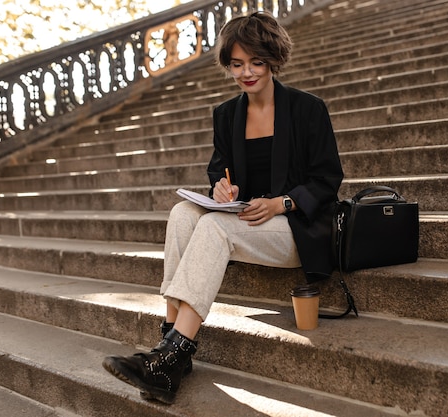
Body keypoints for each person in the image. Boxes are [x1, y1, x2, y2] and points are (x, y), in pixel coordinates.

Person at [102, 11, 344, 405]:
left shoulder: (307, 109)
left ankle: (170, 358)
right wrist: (221, 188)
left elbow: (328, 179)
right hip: (245, 219)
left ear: (273, 60)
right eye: (236, 64)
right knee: (183, 213)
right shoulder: (227, 115)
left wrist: (280, 203)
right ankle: (171, 345)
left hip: (294, 227)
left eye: (255, 62)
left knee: (215, 229)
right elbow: (220, 169)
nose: (245, 72)